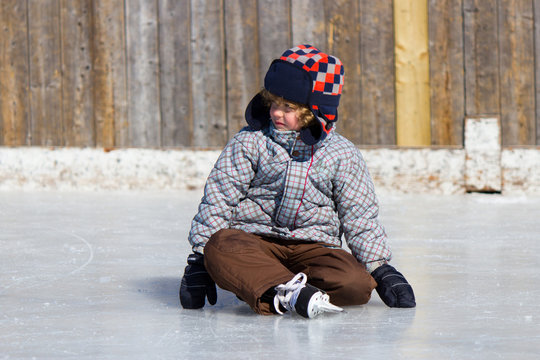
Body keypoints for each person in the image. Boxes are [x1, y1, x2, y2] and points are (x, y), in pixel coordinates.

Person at [179, 45, 415, 318]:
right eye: (273, 102)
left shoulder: (341, 154)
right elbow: (220, 197)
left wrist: (380, 268)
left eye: (288, 107)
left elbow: (359, 215)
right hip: (255, 243)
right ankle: (287, 290)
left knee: (357, 284)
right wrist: (199, 260)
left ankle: (272, 287)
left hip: (314, 249)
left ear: (314, 111)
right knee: (219, 247)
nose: (276, 113)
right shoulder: (251, 141)